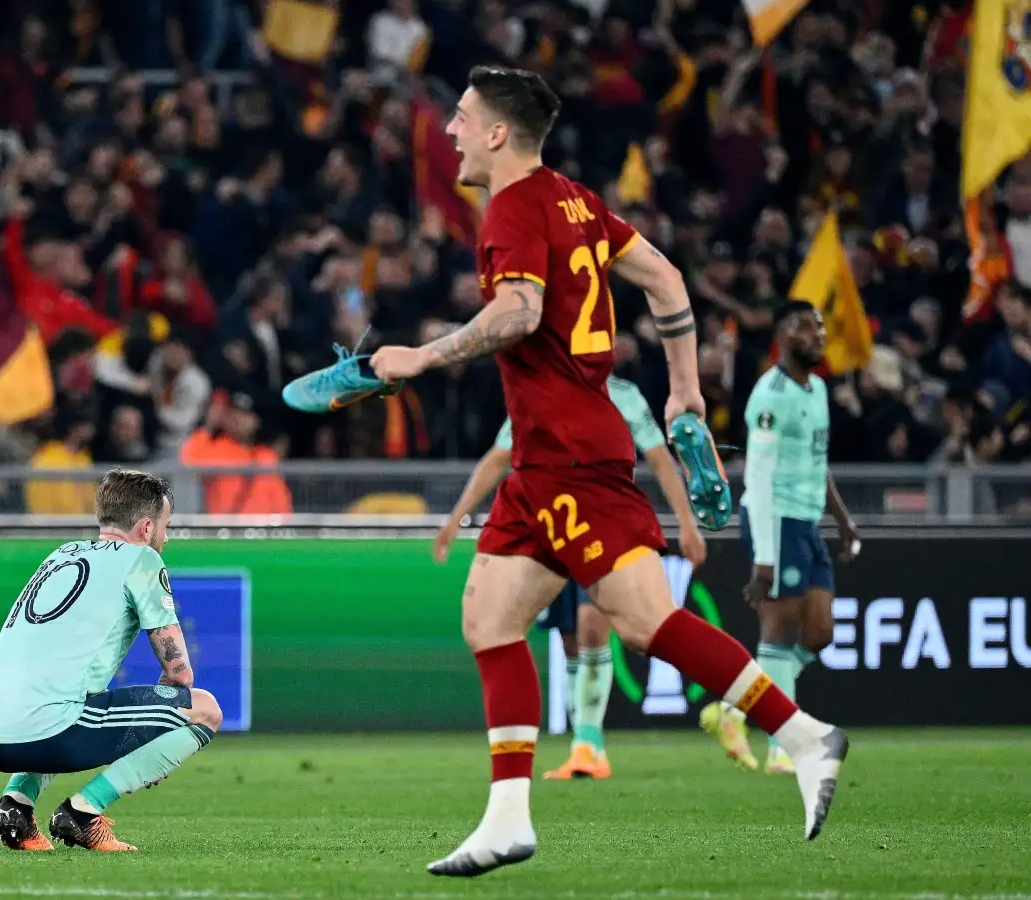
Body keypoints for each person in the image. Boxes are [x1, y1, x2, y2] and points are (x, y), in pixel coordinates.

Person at [361, 66, 848, 876]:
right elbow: (666, 279)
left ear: (495, 134)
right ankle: (507, 819)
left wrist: (421, 355)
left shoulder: (513, 208)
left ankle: (803, 737)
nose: (447, 130)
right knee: (488, 618)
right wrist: (683, 388)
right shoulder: (576, 199)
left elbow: (516, 314)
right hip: (548, 457)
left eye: (459, 116)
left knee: (646, 622)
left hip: (572, 458)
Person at [433, 374, 709, 780]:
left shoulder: (625, 395)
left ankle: (588, 742)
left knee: (593, 627)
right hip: (553, 528)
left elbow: (660, 458)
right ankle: (584, 743)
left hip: (605, 525)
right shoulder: (540, 388)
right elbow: (498, 456)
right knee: (571, 639)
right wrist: (457, 516)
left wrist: (687, 523)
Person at [0, 468, 222, 853]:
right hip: (49, 728)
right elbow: (180, 673)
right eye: (166, 527)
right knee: (205, 710)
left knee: (64, 697)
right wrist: (154, 750)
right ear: (147, 527)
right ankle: (84, 812)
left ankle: (16, 807)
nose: (165, 538)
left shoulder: (61, 555)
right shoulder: (142, 560)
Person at [700, 301, 861, 774]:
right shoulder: (770, 395)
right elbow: (762, 477)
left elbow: (818, 461)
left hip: (806, 521)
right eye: (807, 327)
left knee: (819, 632)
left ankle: (730, 711)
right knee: (779, 629)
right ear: (784, 335)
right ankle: (781, 748)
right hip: (775, 520)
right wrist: (765, 556)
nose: (819, 335)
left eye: (822, 327)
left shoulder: (817, 391)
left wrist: (843, 521)